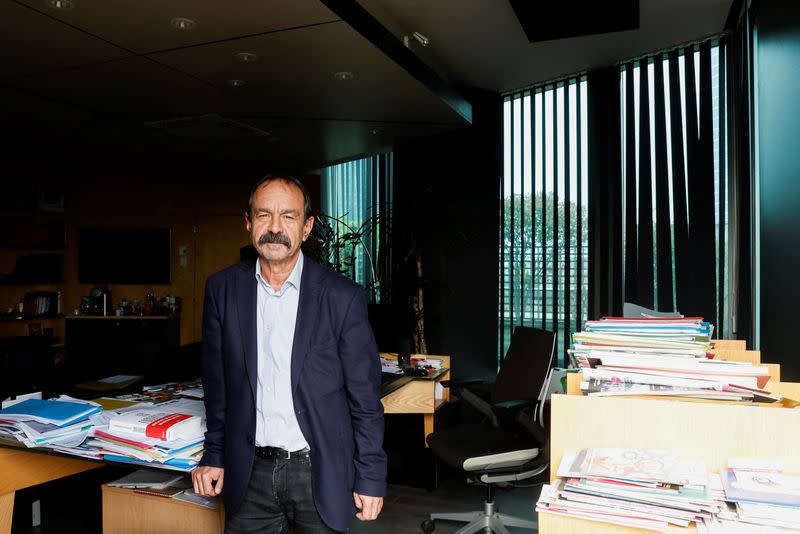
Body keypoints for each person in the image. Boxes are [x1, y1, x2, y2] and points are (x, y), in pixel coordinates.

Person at [192, 175, 387, 533]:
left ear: (307, 227)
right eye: (264, 215)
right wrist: (214, 455)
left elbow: (365, 397)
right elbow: (217, 386)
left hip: (320, 470)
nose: (275, 228)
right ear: (248, 222)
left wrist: (370, 475)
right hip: (249, 472)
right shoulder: (222, 289)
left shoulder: (342, 297)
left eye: (289, 216)